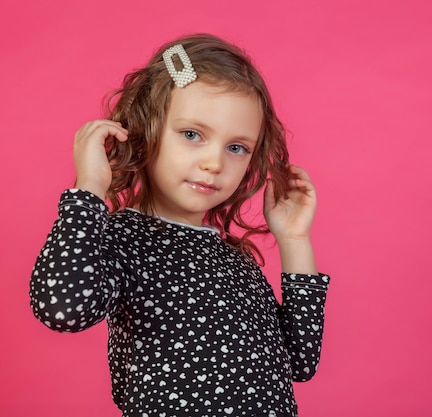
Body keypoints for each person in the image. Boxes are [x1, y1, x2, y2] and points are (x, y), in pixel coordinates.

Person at [30, 33, 330, 417]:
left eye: (236, 147)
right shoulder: (125, 238)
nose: (214, 163)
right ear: (144, 129)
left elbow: (300, 363)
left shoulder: (235, 261)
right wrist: (89, 186)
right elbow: (62, 307)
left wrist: (294, 239)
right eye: (192, 135)